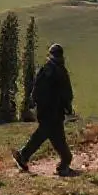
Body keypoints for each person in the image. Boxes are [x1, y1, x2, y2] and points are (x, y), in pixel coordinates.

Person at [13, 43, 75, 176]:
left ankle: (23, 156)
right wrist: (68, 107)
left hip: (46, 111)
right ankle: (63, 163)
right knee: (51, 136)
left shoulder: (46, 69)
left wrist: (35, 104)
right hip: (55, 112)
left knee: (48, 135)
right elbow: (67, 93)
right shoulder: (60, 70)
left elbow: (36, 91)